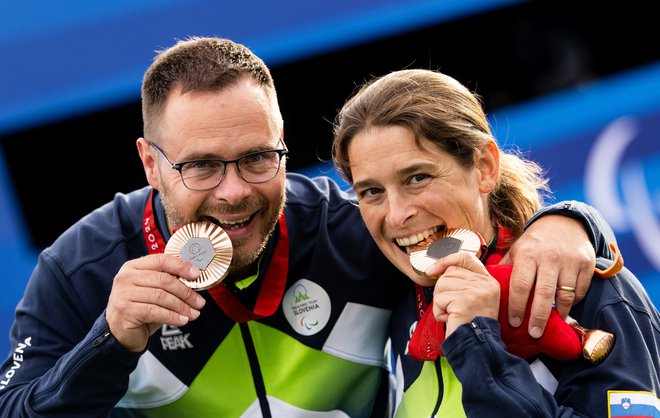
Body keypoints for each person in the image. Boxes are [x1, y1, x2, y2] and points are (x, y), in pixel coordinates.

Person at [0, 37, 616, 418]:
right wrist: (108, 342)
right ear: (151, 164)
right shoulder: (83, 268)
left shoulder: (354, 229)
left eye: (257, 157)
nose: (235, 190)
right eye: (202, 166)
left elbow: (473, 228)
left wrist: (571, 223)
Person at [331, 68, 660, 417]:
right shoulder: (392, 301)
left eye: (417, 177)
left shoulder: (582, 289)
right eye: (371, 192)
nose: (396, 216)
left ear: (485, 167)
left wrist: (478, 344)